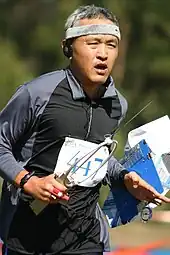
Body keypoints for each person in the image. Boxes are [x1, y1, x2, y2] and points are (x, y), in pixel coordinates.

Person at [0, 4, 170, 255]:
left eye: (111, 45)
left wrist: (124, 178)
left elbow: (98, 157)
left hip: (86, 238)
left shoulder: (117, 104)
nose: (103, 54)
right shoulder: (36, 93)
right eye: (93, 43)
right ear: (68, 48)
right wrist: (28, 181)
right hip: (26, 238)